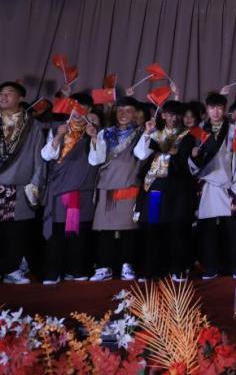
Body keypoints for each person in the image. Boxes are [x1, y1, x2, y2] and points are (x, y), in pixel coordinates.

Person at [38, 104, 101, 284]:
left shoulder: (94, 133)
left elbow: (97, 159)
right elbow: (47, 156)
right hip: (60, 190)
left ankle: (75, 270)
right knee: (57, 232)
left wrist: (94, 137)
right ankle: (52, 273)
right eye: (75, 112)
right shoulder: (58, 129)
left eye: (82, 111)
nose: (78, 115)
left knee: (79, 232)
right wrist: (59, 135)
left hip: (83, 189)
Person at [135, 100, 196, 282]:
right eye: (169, 114)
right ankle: (151, 269)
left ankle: (177, 269)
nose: (173, 118)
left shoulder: (187, 136)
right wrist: (147, 132)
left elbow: (186, 162)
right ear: (163, 115)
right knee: (153, 227)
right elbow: (140, 154)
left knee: (177, 228)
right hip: (155, 187)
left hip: (177, 189)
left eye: (177, 115)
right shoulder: (155, 134)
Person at [190, 92, 236, 279]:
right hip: (207, 185)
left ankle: (234, 266)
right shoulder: (198, 130)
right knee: (207, 229)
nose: (215, 112)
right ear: (207, 109)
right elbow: (192, 160)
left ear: (224, 109)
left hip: (228, 185)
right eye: (212, 108)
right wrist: (194, 157)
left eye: (219, 108)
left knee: (232, 228)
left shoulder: (233, 130)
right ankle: (210, 267)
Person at [89, 97, 145, 282]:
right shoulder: (105, 133)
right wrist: (94, 138)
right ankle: (104, 266)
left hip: (129, 184)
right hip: (106, 185)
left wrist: (147, 132)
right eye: (120, 110)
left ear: (135, 113)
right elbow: (95, 160)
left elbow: (142, 154)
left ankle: (127, 265)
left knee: (129, 228)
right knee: (104, 229)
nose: (123, 114)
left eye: (128, 110)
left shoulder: (141, 133)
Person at [1, 81, 47, 284]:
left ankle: (11, 269)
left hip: (19, 187)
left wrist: (35, 184)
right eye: (1, 93)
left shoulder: (32, 126)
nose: (3, 96)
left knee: (16, 231)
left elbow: (39, 158)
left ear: (20, 98)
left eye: (9, 93)